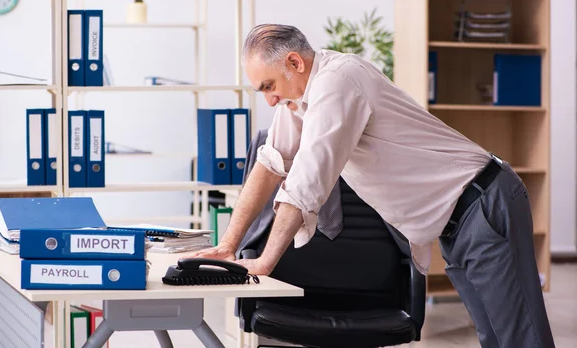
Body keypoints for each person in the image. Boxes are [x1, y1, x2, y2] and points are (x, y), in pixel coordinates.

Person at [189, 24, 555, 347]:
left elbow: (305, 182)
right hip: (455, 223)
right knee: (494, 335)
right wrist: (229, 244)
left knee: (519, 338)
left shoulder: (338, 81)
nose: (270, 99)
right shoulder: (301, 98)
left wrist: (266, 262)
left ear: (295, 63)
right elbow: (270, 164)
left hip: (483, 203)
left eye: (269, 86)